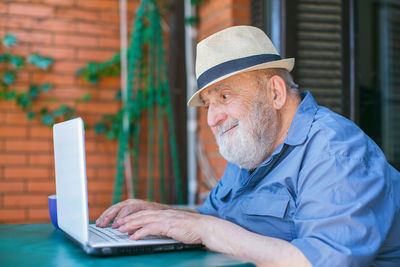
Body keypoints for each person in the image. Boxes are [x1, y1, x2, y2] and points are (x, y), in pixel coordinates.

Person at [96, 26, 400, 266]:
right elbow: (215, 217)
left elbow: (316, 261)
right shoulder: (255, 147)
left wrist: (207, 230)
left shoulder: (334, 151)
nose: (213, 118)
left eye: (225, 97)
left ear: (275, 93)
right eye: (207, 105)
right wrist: (163, 215)